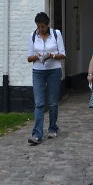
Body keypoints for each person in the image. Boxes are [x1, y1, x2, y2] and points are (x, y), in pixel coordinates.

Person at [27, 12, 65, 145]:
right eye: (38, 26)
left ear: (47, 25)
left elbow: (63, 55)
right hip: (38, 72)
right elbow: (29, 58)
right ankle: (37, 134)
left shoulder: (56, 34)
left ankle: (53, 127)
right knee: (39, 103)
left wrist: (51, 55)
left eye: (42, 26)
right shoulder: (32, 36)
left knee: (53, 102)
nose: (40, 29)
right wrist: (37, 56)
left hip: (54, 71)